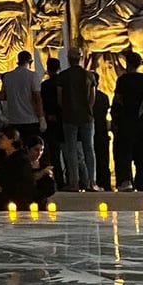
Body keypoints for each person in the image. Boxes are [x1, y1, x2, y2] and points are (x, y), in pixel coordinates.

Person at [55, 47, 100, 192]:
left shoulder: (63, 76)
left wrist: (67, 109)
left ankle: (74, 181)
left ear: (68, 59)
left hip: (69, 116)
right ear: (81, 58)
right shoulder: (89, 76)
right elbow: (92, 97)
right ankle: (92, 182)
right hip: (86, 116)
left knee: (71, 150)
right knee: (89, 149)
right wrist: (87, 108)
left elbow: (60, 98)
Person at [112, 51, 143, 191]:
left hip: (126, 120)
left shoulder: (123, 80)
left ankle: (126, 181)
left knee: (124, 152)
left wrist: (115, 118)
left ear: (127, 64)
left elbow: (118, 100)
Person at [0, 51, 45, 141]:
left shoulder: (7, 77)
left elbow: (2, 96)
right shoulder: (33, 76)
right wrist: (41, 117)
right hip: (31, 119)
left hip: (14, 119)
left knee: (18, 147)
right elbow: (37, 98)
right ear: (30, 62)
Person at [0, 126, 34, 211]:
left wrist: (4, 186)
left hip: (19, 204)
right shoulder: (1, 158)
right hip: (3, 202)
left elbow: (22, 181)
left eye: (2, 137)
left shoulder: (21, 159)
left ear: (11, 139)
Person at [39, 58, 65, 187]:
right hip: (64, 120)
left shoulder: (45, 85)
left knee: (53, 154)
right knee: (67, 152)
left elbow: (41, 103)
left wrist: (45, 116)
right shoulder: (63, 83)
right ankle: (69, 179)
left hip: (50, 120)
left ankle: (56, 180)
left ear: (48, 69)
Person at [24, 134, 57, 206]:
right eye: (36, 150)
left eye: (41, 150)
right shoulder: (23, 164)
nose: (39, 153)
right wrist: (41, 173)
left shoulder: (44, 165)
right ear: (28, 149)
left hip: (41, 203)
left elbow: (51, 189)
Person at [94, 86, 112, 191]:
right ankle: (106, 184)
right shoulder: (103, 97)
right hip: (102, 131)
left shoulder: (87, 96)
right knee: (104, 161)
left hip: (93, 131)